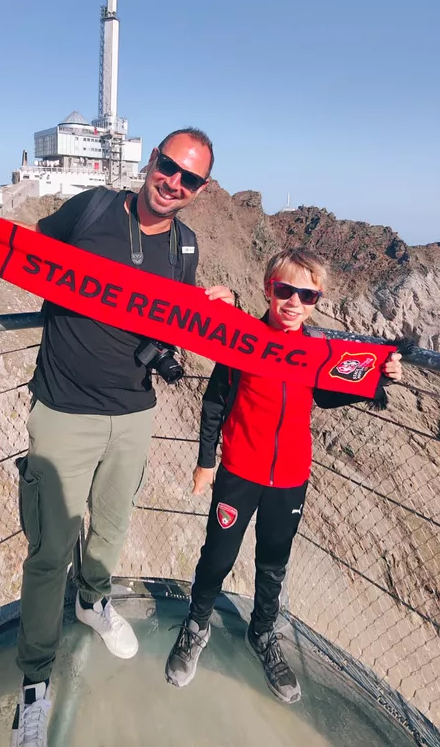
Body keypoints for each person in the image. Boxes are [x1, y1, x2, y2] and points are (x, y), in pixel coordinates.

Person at [0, 128, 235, 747]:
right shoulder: (91, 209)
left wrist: (207, 302)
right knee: (48, 554)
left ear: (199, 192)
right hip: (64, 409)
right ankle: (35, 686)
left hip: (134, 412)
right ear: (151, 161)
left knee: (112, 527)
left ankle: (94, 601)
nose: (173, 182)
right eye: (168, 166)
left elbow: (170, 317)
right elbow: (22, 251)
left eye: (189, 178)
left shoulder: (186, 246)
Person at [165, 247, 403, 702]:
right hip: (239, 470)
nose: (294, 302)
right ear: (267, 290)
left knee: (273, 562)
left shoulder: (315, 350)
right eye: (284, 290)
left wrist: (379, 379)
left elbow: (327, 395)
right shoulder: (244, 339)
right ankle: (196, 626)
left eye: (306, 295)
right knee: (218, 553)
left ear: (319, 298)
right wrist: (205, 459)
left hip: (291, 476)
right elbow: (215, 400)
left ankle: (263, 634)